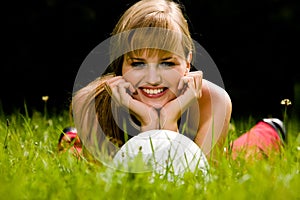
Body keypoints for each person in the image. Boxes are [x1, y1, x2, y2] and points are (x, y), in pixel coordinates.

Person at [71, 0, 285, 164]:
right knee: (74, 153)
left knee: (236, 157)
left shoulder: (214, 101)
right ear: (121, 65)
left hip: (196, 152)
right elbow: (111, 187)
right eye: (137, 64)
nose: (153, 80)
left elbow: (193, 182)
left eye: (167, 63)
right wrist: (148, 121)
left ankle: (267, 132)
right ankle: (72, 139)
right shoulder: (90, 104)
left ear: (187, 62)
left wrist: (167, 122)